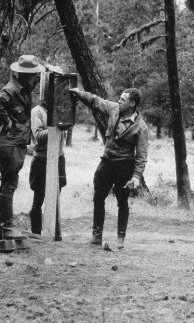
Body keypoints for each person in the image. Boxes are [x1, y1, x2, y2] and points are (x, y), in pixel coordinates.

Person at [70, 86, 150, 249]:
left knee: (122, 201)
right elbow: (96, 101)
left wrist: (135, 177)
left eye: (123, 99)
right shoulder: (114, 109)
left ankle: (120, 237)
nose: (119, 101)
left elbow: (141, 156)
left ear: (132, 103)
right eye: (119, 98)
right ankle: (97, 235)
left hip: (124, 166)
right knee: (98, 197)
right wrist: (79, 93)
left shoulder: (141, 127)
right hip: (107, 162)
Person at [0, 55, 44, 240]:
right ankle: (6, 227)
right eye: (32, 75)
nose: (35, 78)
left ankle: (6, 225)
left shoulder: (24, 89)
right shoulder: (10, 89)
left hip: (16, 143)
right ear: (20, 75)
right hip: (10, 143)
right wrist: (7, 121)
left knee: (9, 184)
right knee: (9, 185)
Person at [28, 67, 67, 237]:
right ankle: (36, 232)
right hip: (42, 159)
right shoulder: (38, 111)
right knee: (39, 198)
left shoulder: (57, 110)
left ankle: (55, 231)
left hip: (58, 157)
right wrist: (54, 128)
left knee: (56, 195)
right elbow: (38, 135)